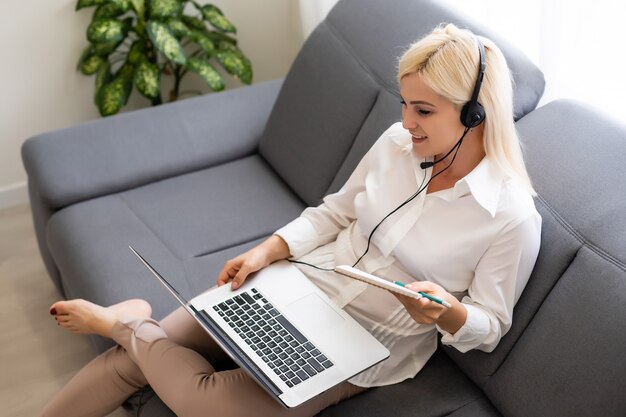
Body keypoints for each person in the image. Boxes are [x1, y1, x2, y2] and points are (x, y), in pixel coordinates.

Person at [43, 23, 541, 417]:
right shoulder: (396, 144)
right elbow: (336, 212)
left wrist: (449, 314)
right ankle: (131, 331)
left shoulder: (511, 217)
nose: (407, 122)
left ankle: (125, 322)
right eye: (405, 104)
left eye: (424, 111)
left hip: (366, 345)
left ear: (475, 114)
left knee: (207, 403)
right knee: (130, 364)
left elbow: (491, 324)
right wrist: (269, 249)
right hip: (296, 283)